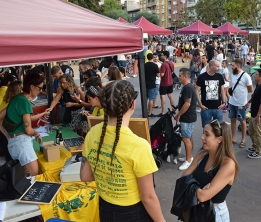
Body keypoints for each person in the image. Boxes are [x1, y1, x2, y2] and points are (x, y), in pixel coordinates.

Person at [80, 81, 165, 222]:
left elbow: (85, 176)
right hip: (131, 212)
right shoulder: (139, 145)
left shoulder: (92, 133)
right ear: (132, 105)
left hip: (105, 207)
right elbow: (148, 197)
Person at [181, 120, 238, 222]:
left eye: (206, 134)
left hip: (214, 214)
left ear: (219, 139)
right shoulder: (202, 154)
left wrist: (191, 186)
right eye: (203, 133)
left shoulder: (228, 164)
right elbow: (182, 179)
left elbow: (203, 197)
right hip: (195, 209)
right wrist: (199, 189)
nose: (202, 137)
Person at [0, 73, 45, 176]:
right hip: (22, 144)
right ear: (32, 86)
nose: (40, 91)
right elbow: (28, 130)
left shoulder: (16, 98)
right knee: (33, 177)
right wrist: (36, 134)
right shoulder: (24, 102)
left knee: (23, 179)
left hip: (13, 143)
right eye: (40, 88)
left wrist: (7, 136)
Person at [174, 68, 197, 171]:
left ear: (186, 76)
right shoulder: (186, 87)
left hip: (187, 117)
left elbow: (187, 104)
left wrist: (178, 115)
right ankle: (189, 157)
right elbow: (184, 102)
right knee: (188, 137)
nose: (178, 77)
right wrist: (176, 106)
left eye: (180, 75)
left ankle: (188, 161)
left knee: (185, 138)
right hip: (188, 117)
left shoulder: (188, 88)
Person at [245, 69, 261, 159]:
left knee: (258, 133)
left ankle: (259, 152)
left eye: (256, 74)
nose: (255, 76)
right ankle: (255, 147)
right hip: (253, 113)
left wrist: (258, 115)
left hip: (259, 115)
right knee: (251, 131)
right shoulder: (258, 86)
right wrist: (248, 102)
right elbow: (254, 96)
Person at [228, 59, 253, 148]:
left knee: (242, 121)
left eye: (233, 66)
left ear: (238, 66)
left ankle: (243, 140)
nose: (232, 67)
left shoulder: (246, 76)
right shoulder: (233, 74)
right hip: (232, 102)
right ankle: (233, 137)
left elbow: (250, 89)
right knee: (232, 119)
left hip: (241, 103)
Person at [196, 60, 226, 128]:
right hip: (206, 108)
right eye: (217, 66)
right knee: (206, 128)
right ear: (212, 66)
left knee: (219, 129)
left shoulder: (219, 76)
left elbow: (222, 90)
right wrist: (200, 104)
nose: (219, 68)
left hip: (218, 108)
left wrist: (224, 103)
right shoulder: (202, 77)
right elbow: (197, 91)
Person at [158, 51, 176, 117]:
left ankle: (163, 112)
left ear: (165, 56)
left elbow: (162, 75)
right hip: (170, 82)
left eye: (162, 55)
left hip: (164, 83)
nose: (161, 56)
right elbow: (172, 72)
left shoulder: (163, 65)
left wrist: (159, 70)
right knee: (170, 96)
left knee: (163, 98)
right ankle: (173, 110)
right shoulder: (171, 63)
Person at [144, 53, 160, 117]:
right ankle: (149, 112)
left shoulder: (144, 65)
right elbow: (158, 75)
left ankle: (144, 111)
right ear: (152, 58)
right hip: (152, 83)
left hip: (145, 82)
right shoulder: (155, 66)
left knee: (146, 98)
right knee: (151, 98)